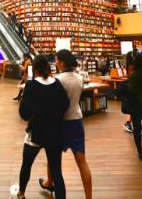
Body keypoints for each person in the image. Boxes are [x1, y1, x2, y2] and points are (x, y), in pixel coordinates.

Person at [9, 56, 69, 199]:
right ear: (48, 67)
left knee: (26, 165)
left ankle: (21, 193)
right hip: (55, 134)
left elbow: (24, 113)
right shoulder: (57, 83)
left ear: (34, 68)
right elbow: (65, 104)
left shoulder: (32, 85)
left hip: (36, 133)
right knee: (57, 172)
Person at [40, 49, 93, 199]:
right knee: (82, 162)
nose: (55, 63)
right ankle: (89, 197)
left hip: (61, 123)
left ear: (62, 62)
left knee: (53, 157)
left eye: (56, 60)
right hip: (76, 121)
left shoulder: (58, 79)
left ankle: (50, 182)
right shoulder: (79, 78)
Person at [122, 51, 135, 133]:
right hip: (132, 88)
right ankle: (129, 123)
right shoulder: (132, 66)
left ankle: (130, 123)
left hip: (131, 88)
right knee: (134, 109)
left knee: (134, 109)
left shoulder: (128, 65)